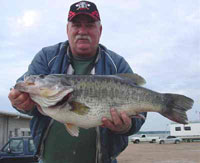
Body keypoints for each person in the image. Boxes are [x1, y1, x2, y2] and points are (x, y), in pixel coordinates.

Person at [8, 1, 146, 163]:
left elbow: (141, 113)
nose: (82, 31)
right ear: (68, 29)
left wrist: (127, 127)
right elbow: (23, 89)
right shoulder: (47, 57)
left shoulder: (117, 64)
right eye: (76, 25)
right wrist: (21, 103)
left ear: (99, 30)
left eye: (89, 25)